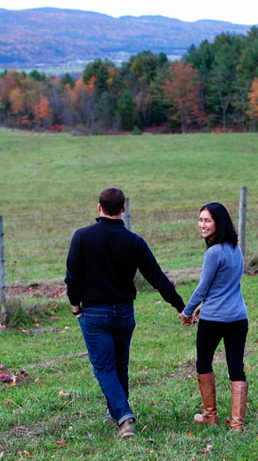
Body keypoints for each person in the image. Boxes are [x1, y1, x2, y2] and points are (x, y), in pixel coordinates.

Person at [65, 187, 186, 440]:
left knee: (104, 368)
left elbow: (73, 278)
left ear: (99, 207)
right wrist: (180, 306)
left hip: (94, 313)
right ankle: (116, 412)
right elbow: (157, 277)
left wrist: (76, 307)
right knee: (120, 365)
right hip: (124, 312)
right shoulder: (134, 241)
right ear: (123, 209)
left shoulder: (82, 237)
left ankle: (124, 418)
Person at [179, 202, 249, 430]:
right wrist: (205, 305)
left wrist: (187, 311)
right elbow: (227, 283)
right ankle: (237, 424)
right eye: (200, 220)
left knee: (204, 362)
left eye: (207, 220)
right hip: (238, 316)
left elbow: (203, 287)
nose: (202, 224)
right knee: (236, 366)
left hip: (215, 319)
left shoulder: (213, 252)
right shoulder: (235, 248)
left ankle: (210, 415)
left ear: (219, 222)